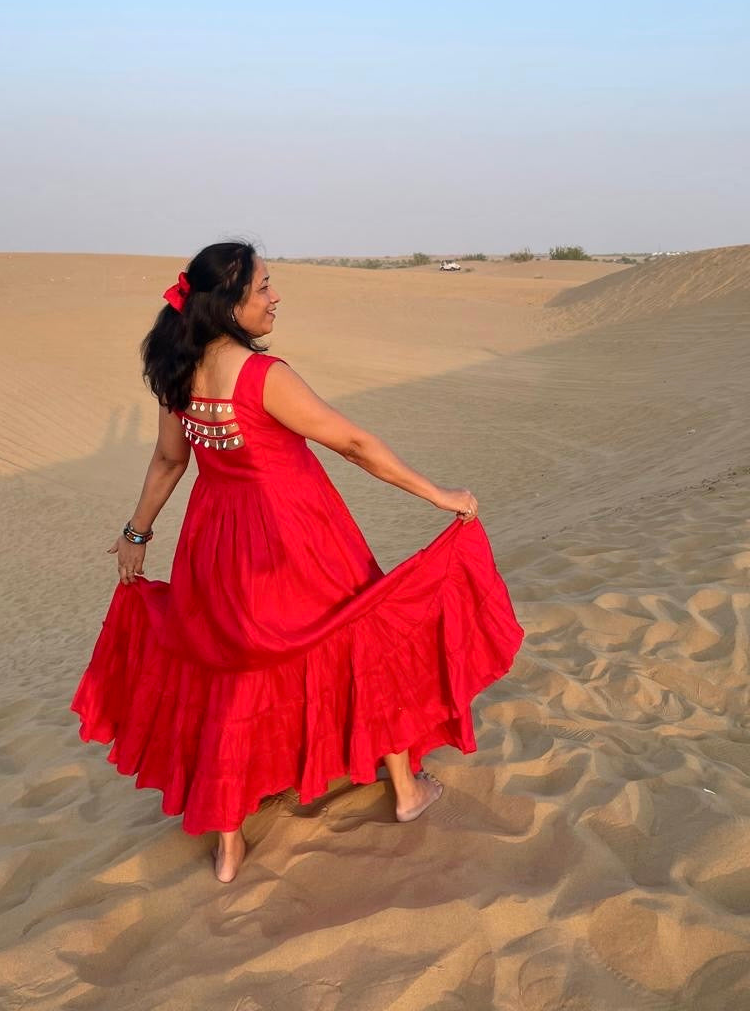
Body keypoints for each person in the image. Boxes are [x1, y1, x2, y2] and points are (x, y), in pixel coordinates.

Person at [70, 241, 524, 883]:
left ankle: (228, 844)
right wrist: (440, 495)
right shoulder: (263, 376)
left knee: (226, 667)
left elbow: (171, 461)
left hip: (217, 542)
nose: (274, 296)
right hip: (296, 534)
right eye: (262, 287)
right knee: (363, 636)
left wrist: (136, 534)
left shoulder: (180, 373)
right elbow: (353, 442)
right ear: (229, 304)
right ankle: (406, 791)